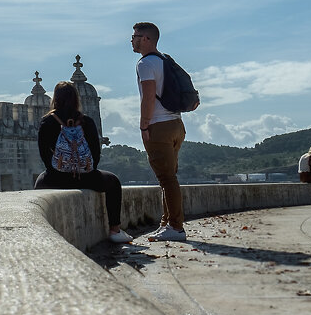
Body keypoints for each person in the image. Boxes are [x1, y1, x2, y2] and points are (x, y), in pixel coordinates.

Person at [35, 80, 133, 243]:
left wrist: (57, 171)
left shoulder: (47, 122)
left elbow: (44, 155)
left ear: (55, 99)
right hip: (86, 178)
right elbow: (95, 154)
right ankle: (115, 230)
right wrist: (84, 172)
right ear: (76, 99)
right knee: (113, 181)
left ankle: (43, 234)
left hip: (55, 179)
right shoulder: (86, 121)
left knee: (38, 185)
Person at [132, 22, 197, 242]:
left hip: (159, 126)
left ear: (147, 39)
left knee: (167, 178)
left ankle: (176, 228)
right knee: (168, 177)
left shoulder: (145, 64)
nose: (132, 39)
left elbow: (148, 97)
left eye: (136, 36)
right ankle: (166, 223)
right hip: (177, 124)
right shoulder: (164, 60)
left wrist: (144, 125)